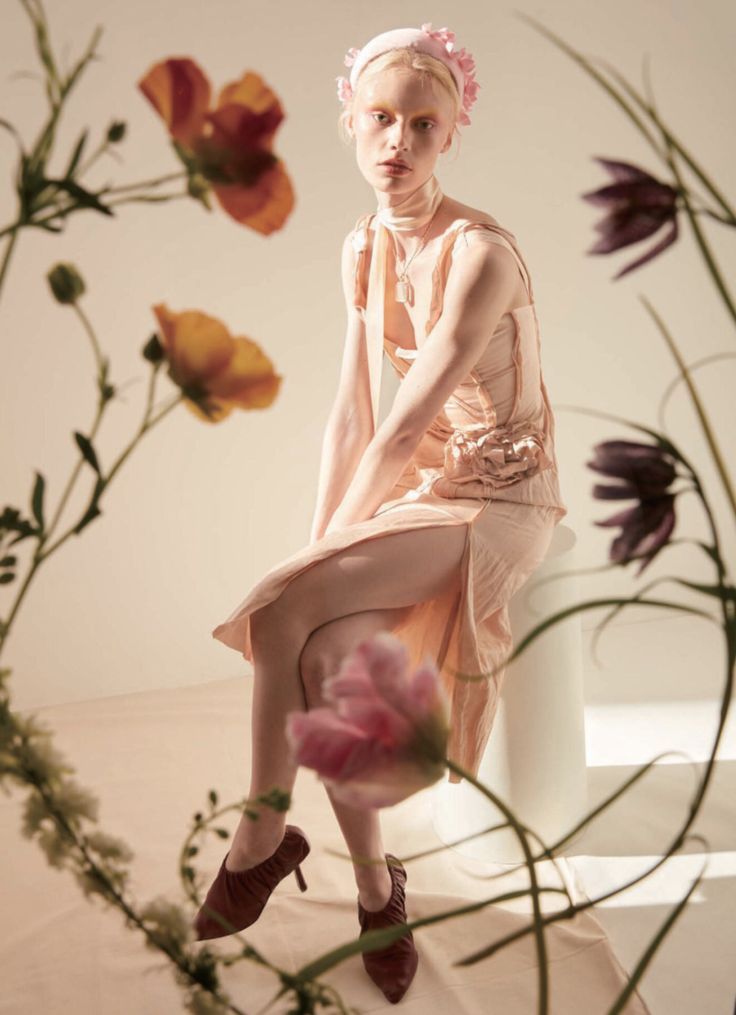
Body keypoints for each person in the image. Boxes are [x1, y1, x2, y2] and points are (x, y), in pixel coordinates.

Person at [193, 24, 567, 1005]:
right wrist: (321, 547)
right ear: (351, 126)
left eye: (422, 123)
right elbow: (351, 411)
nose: (397, 140)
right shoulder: (361, 246)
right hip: (428, 491)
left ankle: (262, 832)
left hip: (503, 496)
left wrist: (309, 573)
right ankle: (373, 891)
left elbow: (402, 428)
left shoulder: (480, 253)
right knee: (319, 652)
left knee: (282, 610)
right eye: (380, 119)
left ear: (451, 135)